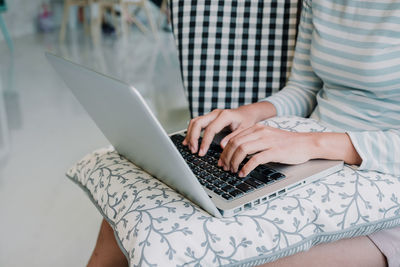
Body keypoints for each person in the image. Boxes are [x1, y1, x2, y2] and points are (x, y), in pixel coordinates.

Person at [88, 0, 399, 266]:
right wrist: (247, 114)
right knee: (146, 203)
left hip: (384, 177)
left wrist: (311, 143)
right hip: (312, 158)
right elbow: (305, 87)